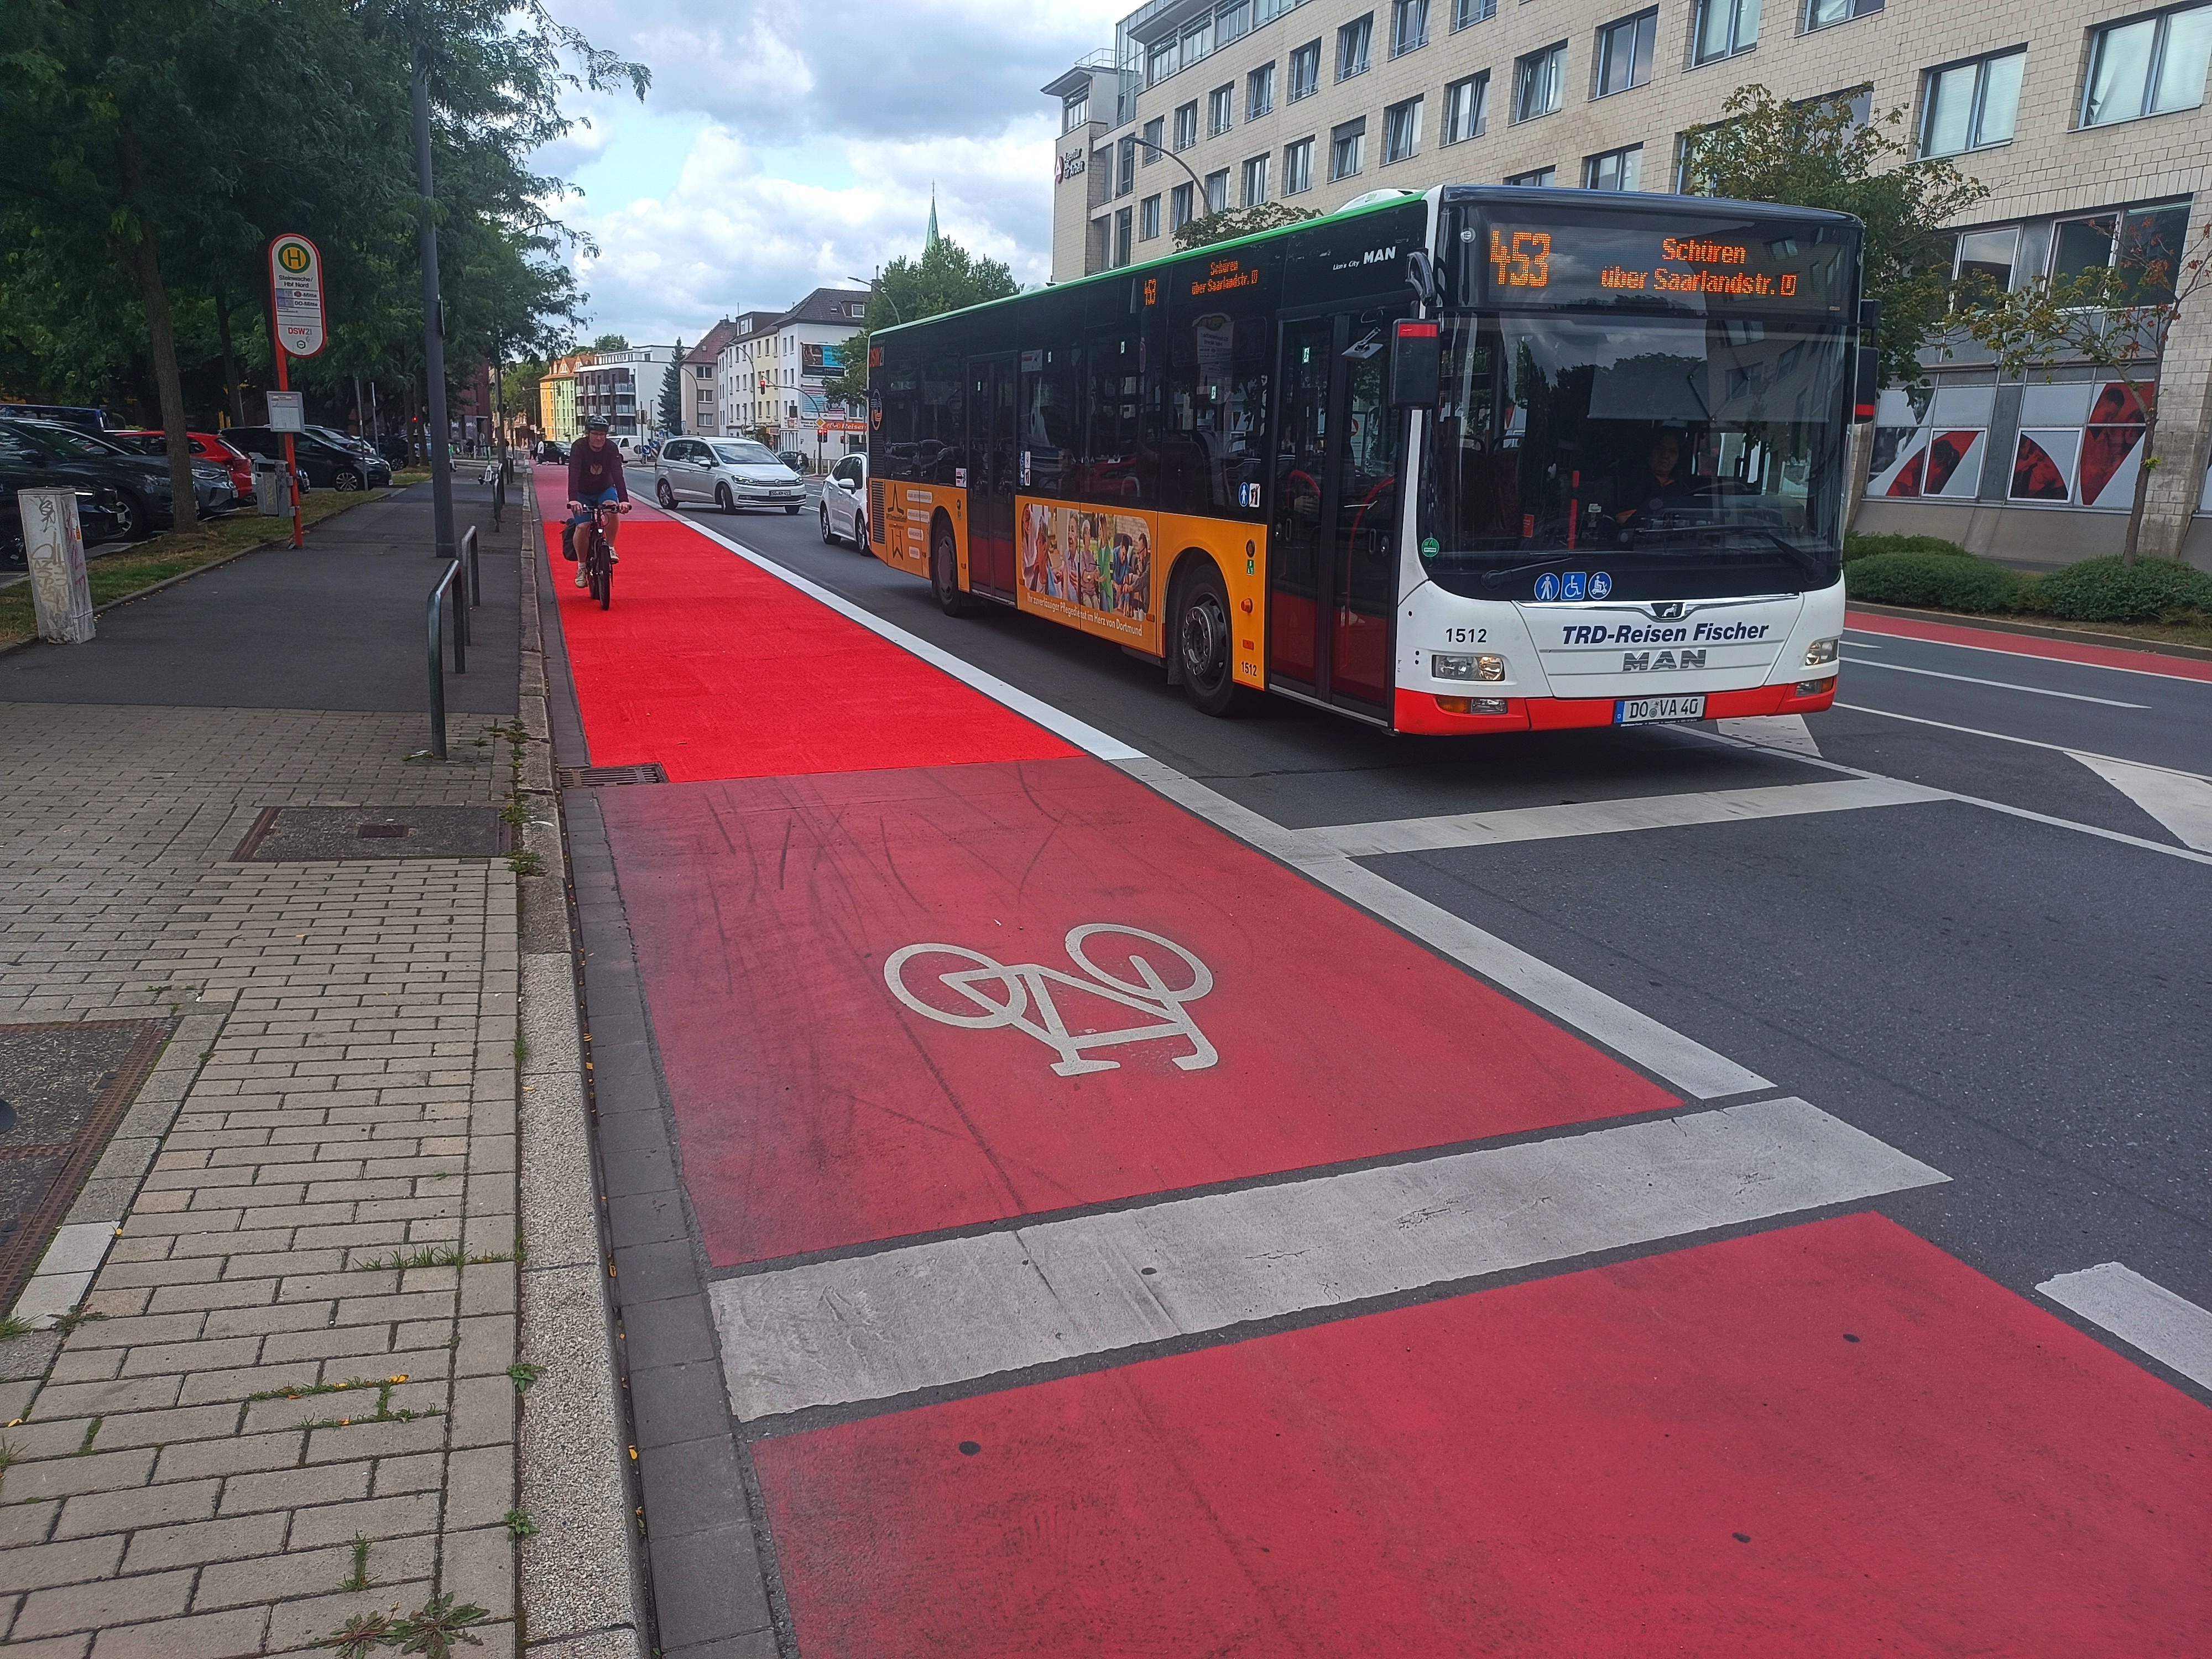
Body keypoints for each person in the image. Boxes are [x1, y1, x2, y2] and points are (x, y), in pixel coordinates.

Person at [566, 416, 632, 587]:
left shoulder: (611, 448)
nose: (599, 438)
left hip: (604, 489)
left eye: (603, 434)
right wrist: (573, 499)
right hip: (582, 493)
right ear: (588, 434)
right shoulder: (579, 447)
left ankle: (610, 547)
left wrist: (624, 500)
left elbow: (617, 472)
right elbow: (573, 473)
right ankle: (581, 567)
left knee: (612, 509)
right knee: (582, 526)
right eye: (595, 434)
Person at [1615, 430, 1698, 526]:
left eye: (1673, 452)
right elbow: (1620, 518)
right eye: (1660, 449)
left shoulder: (1683, 489)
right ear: (1650, 452)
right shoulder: (1630, 482)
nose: (1665, 455)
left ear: (1678, 459)